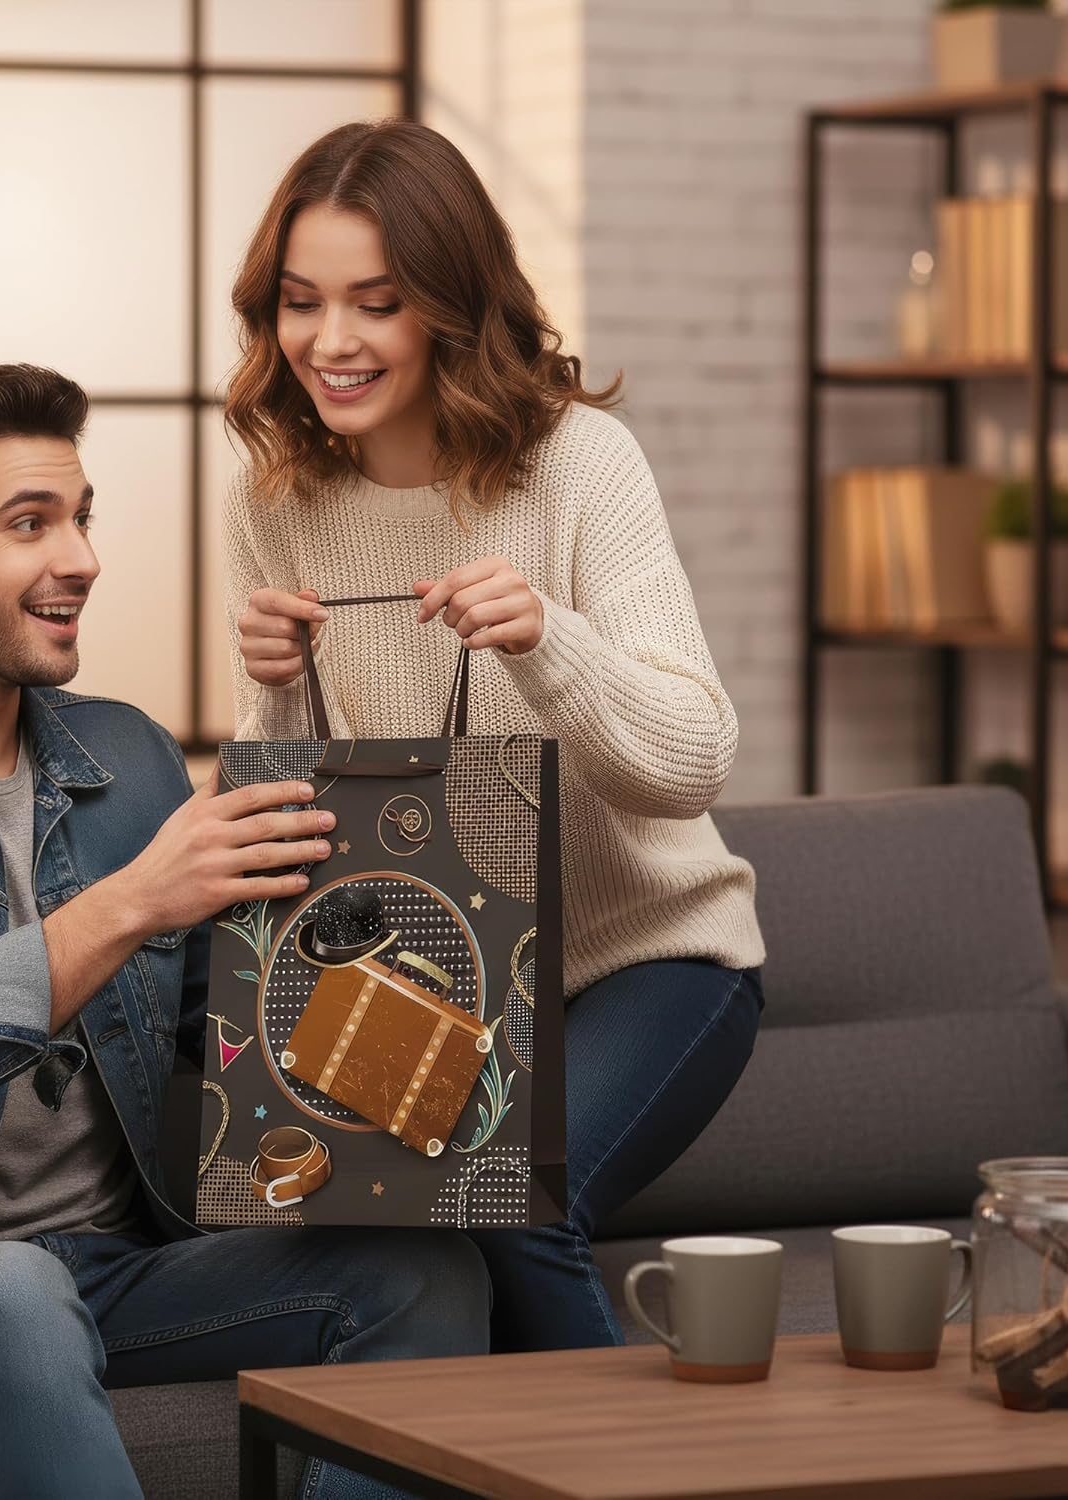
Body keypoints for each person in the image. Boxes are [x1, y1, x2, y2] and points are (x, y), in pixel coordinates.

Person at [0, 360, 490, 1500]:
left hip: (111, 1267)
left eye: (81, 516)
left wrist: (420, 999)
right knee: (11, 1288)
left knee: (423, 1269)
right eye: (30, 523)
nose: (82, 558)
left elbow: (226, 1033)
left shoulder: (128, 756)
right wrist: (127, 904)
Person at [222, 120, 767, 1353]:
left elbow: (691, 763)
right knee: (380, 1227)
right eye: (302, 303)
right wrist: (273, 702)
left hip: (651, 957)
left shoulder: (580, 464)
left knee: (511, 1200)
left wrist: (547, 642)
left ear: (454, 308)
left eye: (378, 302)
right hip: (436, 976)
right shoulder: (271, 498)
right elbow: (298, 833)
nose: (332, 341)